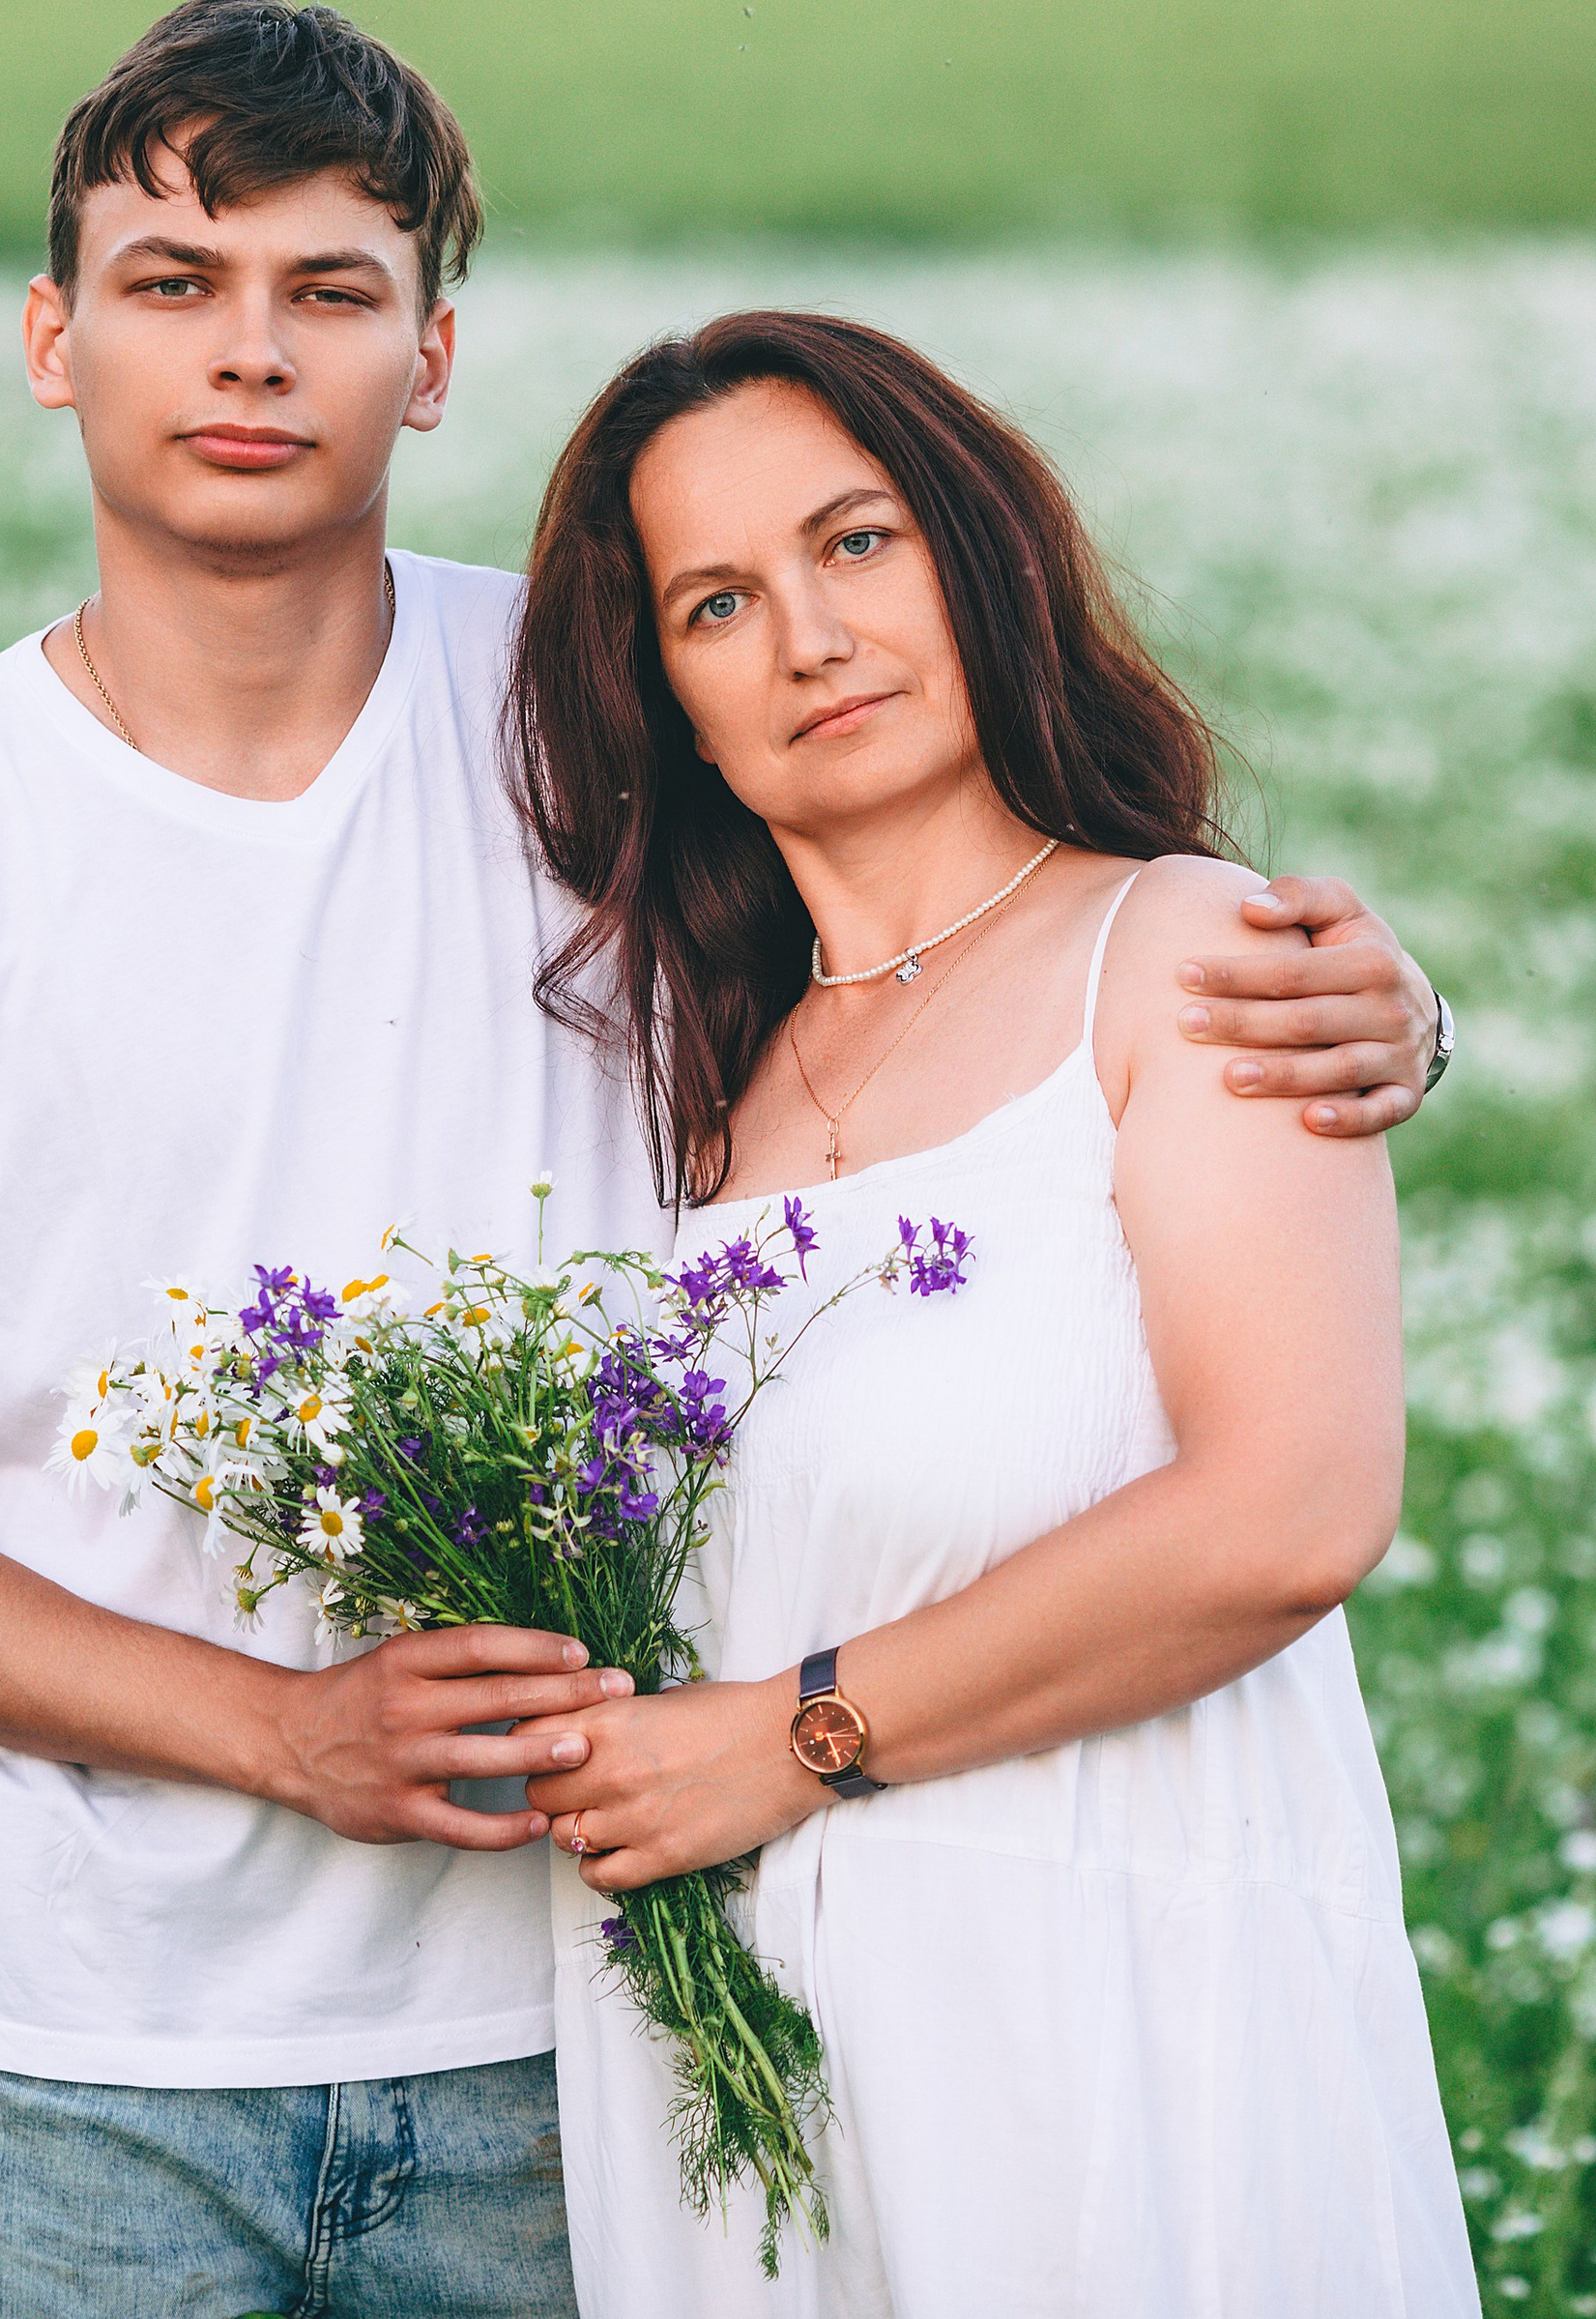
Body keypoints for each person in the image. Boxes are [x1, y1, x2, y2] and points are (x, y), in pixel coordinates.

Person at [0, 0, 1447, 2319]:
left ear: (427, 360)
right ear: (47, 335)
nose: (246, 358)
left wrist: (1369, 1007)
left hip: (564, 2016)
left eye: (329, 292)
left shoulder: (598, 734)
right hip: (56, 2034)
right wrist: (283, 1731)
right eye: (170, 286)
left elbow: (971, 958)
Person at [508, 311, 1475, 2316]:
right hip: (756, 2099)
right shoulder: (684, 1089)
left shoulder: (1186, 953)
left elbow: (1288, 1510)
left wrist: (790, 1739)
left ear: (978, 551)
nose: (806, 634)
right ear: (668, 697)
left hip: (1106, 2037)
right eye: (715, 600)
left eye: (854, 542)